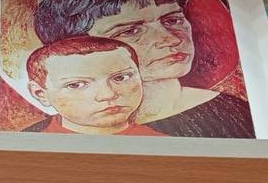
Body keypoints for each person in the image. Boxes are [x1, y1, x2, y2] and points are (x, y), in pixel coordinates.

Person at [30, 0, 255, 138]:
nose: (171, 39)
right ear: (76, 47)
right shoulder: (42, 134)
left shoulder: (232, 113)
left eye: (173, 20)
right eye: (130, 31)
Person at [24, 36, 164, 136]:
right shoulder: (29, 143)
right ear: (40, 94)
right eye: (76, 85)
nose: (108, 95)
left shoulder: (161, 141)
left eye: (121, 78)